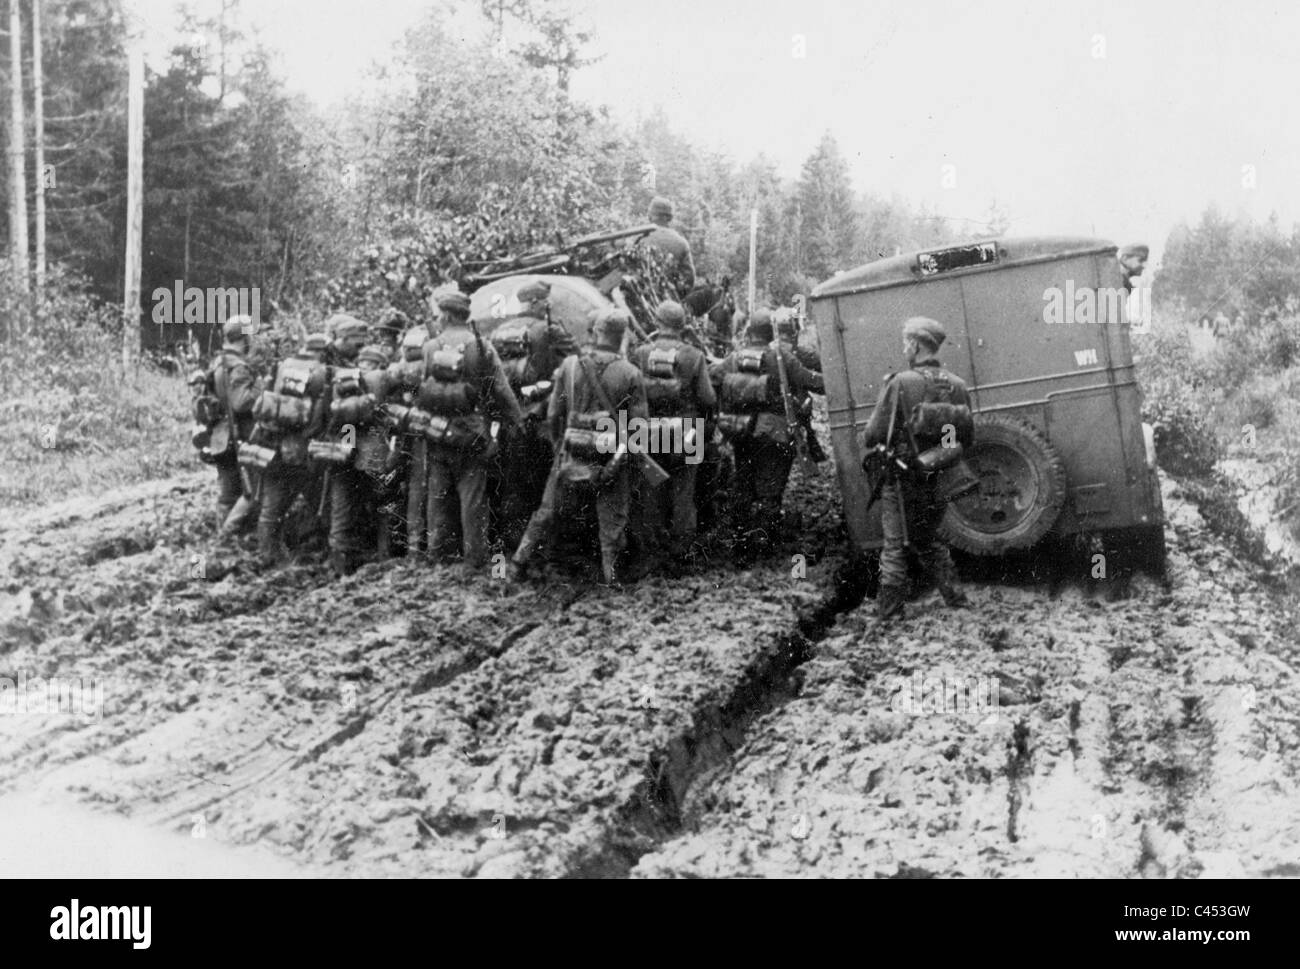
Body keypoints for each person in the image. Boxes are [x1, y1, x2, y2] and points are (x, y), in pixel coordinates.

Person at [510, 310, 648, 586]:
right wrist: (620, 462)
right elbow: (638, 428)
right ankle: (612, 579)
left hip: (570, 453)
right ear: (622, 337)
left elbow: (552, 415)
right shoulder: (631, 373)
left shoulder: (570, 366)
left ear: (595, 332)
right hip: (610, 459)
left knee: (546, 513)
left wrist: (561, 447)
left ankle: (513, 567)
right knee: (611, 524)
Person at [860, 317, 974, 621]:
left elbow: (873, 434)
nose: (904, 348)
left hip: (902, 477)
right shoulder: (958, 384)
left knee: (895, 546)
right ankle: (957, 599)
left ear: (914, 345)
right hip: (939, 477)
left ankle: (889, 612)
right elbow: (967, 437)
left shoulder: (901, 382)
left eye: (905, 343)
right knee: (926, 538)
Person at [418, 291, 523, 571]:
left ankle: (436, 555)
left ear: (447, 315)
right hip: (472, 431)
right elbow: (501, 389)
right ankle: (474, 560)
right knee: (472, 498)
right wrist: (517, 419)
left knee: (437, 496)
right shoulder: (481, 346)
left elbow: (424, 386)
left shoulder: (430, 346)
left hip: (438, 431)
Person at [711, 311, 824, 561]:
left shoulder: (734, 358)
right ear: (771, 334)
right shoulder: (781, 358)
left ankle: (741, 545)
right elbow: (813, 381)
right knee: (770, 491)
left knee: (744, 486)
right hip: (775, 433)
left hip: (742, 432)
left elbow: (713, 380)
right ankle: (765, 546)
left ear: (749, 332)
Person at [490, 279, 577, 549]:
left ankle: (510, 547)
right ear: (538, 302)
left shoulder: (499, 331)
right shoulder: (549, 330)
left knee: (512, 484)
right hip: (540, 420)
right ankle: (543, 549)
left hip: (508, 420)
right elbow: (576, 366)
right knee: (544, 487)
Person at [629, 299, 715, 567]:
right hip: (687, 432)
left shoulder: (640, 354)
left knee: (652, 486)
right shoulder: (693, 355)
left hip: (648, 431)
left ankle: (652, 549)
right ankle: (681, 550)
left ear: (657, 323)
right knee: (684, 490)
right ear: (683, 326)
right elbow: (708, 398)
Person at [209, 314, 263, 542]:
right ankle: (226, 536)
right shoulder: (239, 366)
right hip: (240, 435)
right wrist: (260, 387)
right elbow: (241, 402)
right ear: (244, 338)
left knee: (228, 495)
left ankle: (227, 542)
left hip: (220, 437)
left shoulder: (217, 362)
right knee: (254, 491)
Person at [640, 196, 696, 294]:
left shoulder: (639, 238)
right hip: (670, 298)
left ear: (650, 215)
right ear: (670, 218)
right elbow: (689, 280)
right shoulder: (681, 242)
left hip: (640, 294)